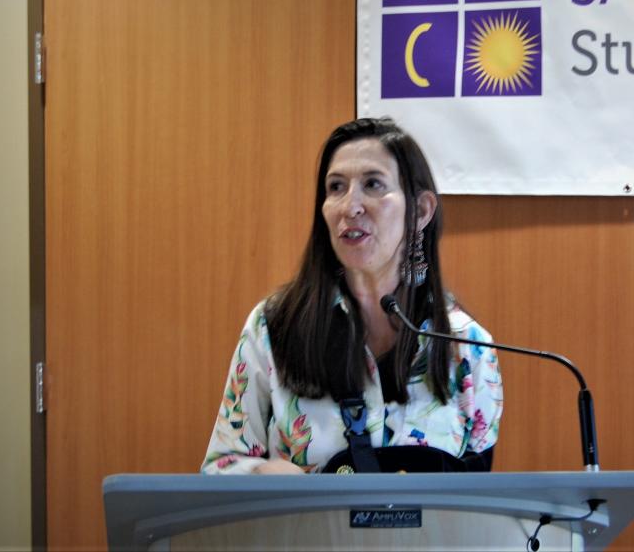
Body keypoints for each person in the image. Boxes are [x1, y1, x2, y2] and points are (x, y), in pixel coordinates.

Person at [201, 117, 503, 475]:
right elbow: (220, 467)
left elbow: (479, 505)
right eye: (336, 188)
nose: (350, 206)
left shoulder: (468, 346)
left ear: (420, 210)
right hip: (303, 531)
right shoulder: (274, 326)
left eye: (373, 184)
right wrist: (261, 475)